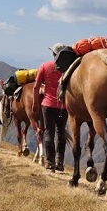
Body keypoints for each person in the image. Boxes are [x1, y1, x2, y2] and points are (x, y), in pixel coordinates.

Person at [33, 43, 68, 171]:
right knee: (61, 134)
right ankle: (60, 162)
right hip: (63, 106)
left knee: (49, 132)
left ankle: (50, 163)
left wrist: (35, 103)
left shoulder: (45, 66)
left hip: (47, 105)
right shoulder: (67, 68)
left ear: (53, 54)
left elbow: (36, 87)